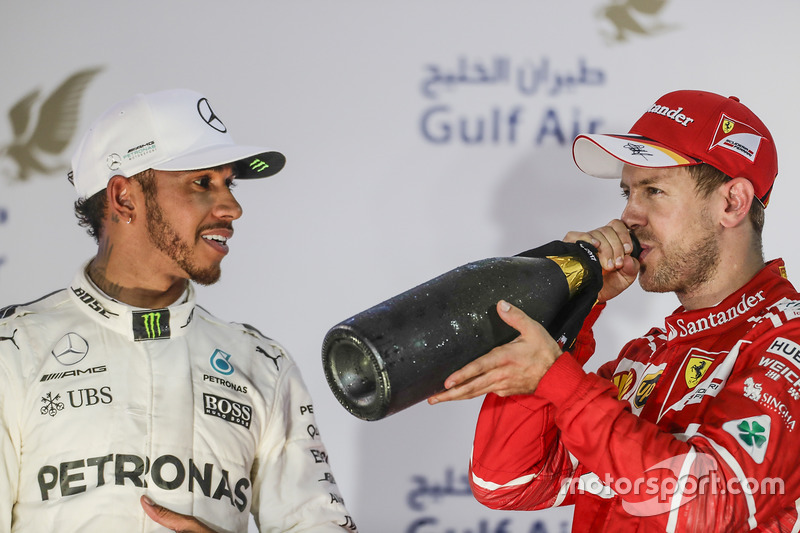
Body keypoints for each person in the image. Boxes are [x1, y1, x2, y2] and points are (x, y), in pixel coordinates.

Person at [428, 90, 800, 530]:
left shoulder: (786, 341)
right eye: (628, 192)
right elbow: (507, 480)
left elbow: (703, 507)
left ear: (732, 203)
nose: (629, 214)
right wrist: (571, 313)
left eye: (654, 190)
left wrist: (558, 381)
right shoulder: (646, 358)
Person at [0, 89, 357, 532]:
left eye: (230, 184)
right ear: (124, 197)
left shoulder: (263, 366)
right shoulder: (13, 352)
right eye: (202, 183)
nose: (232, 207)